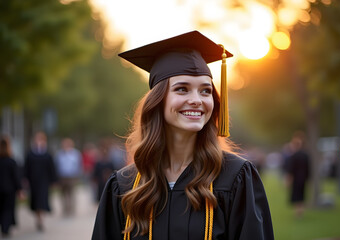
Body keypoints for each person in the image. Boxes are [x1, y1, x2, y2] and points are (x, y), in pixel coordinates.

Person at [92, 31, 274, 240]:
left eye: (205, 91)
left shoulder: (235, 178)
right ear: (158, 101)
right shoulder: (124, 185)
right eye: (182, 89)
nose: (197, 99)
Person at [24, 131, 57, 231]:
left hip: (44, 181)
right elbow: (26, 168)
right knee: (35, 201)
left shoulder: (47, 154)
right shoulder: (30, 154)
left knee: (42, 201)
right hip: (34, 181)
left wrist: (53, 181)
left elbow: (52, 168)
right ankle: (38, 217)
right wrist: (25, 179)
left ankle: (41, 219)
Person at [0, 136, 23, 238]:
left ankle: (3, 227)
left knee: (1, 208)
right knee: (8, 209)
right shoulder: (11, 161)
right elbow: (16, 177)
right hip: (9, 189)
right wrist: (20, 189)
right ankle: (6, 228)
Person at [285, 132, 310, 218]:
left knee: (296, 195)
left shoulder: (294, 156)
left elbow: (291, 169)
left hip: (296, 179)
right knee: (302, 195)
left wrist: (288, 180)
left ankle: (298, 213)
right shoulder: (306, 155)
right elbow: (308, 168)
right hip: (303, 178)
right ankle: (301, 212)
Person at [55, 138, 82, 216]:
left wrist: (78, 175)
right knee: (63, 193)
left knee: (72, 193)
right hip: (62, 176)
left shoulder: (76, 154)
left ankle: (71, 209)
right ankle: (65, 208)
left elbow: (79, 165)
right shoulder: (59, 154)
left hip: (72, 176)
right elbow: (56, 165)